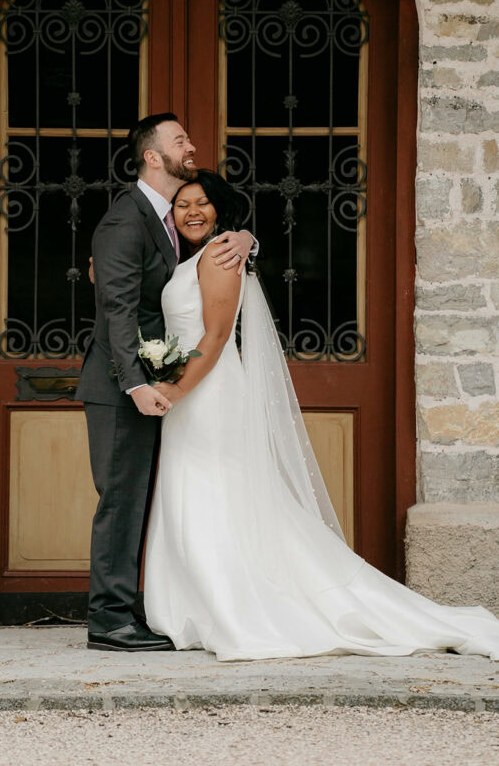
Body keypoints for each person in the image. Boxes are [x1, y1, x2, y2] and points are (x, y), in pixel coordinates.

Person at [143, 169, 499, 662]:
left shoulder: (221, 254)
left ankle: (230, 607)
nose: (193, 212)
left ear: (220, 209)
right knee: (197, 491)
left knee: (213, 491)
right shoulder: (195, 257)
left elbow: (218, 337)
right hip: (193, 392)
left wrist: (175, 389)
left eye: (203, 203)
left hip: (208, 393)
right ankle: (197, 605)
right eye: (182, 205)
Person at [76, 114, 256, 652]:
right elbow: (117, 311)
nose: (191, 144)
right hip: (120, 387)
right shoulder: (123, 222)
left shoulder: (171, 217)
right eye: (180, 140)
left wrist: (247, 238)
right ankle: (108, 620)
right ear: (153, 157)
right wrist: (135, 385)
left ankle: (138, 606)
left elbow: (207, 259)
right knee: (122, 499)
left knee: (147, 500)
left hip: (159, 388)